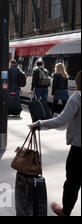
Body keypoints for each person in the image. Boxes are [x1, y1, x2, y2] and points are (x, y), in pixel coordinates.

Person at [29, 71, 81, 216]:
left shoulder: (77, 98)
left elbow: (60, 120)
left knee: (72, 182)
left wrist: (38, 123)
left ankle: (65, 211)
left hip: (79, 149)